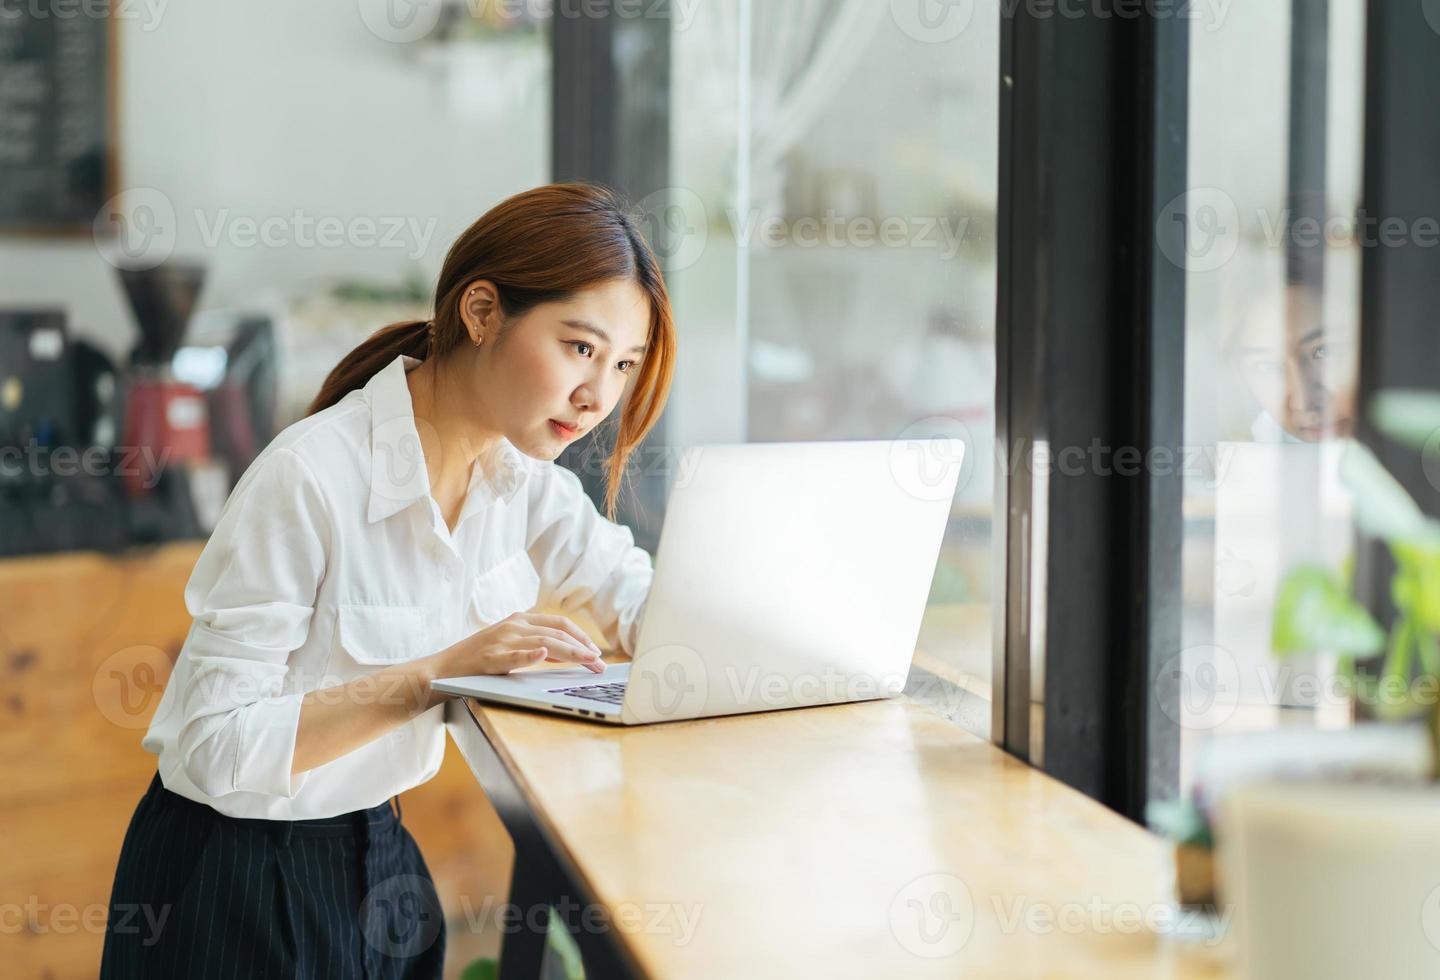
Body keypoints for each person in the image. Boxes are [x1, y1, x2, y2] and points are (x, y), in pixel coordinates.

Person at [100, 182, 677, 978]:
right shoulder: (309, 476)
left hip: (382, 860)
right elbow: (210, 746)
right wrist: (439, 673)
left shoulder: (526, 482)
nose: (599, 395)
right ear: (481, 311)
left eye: (622, 365)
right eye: (580, 348)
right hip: (233, 878)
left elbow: (641, 605)